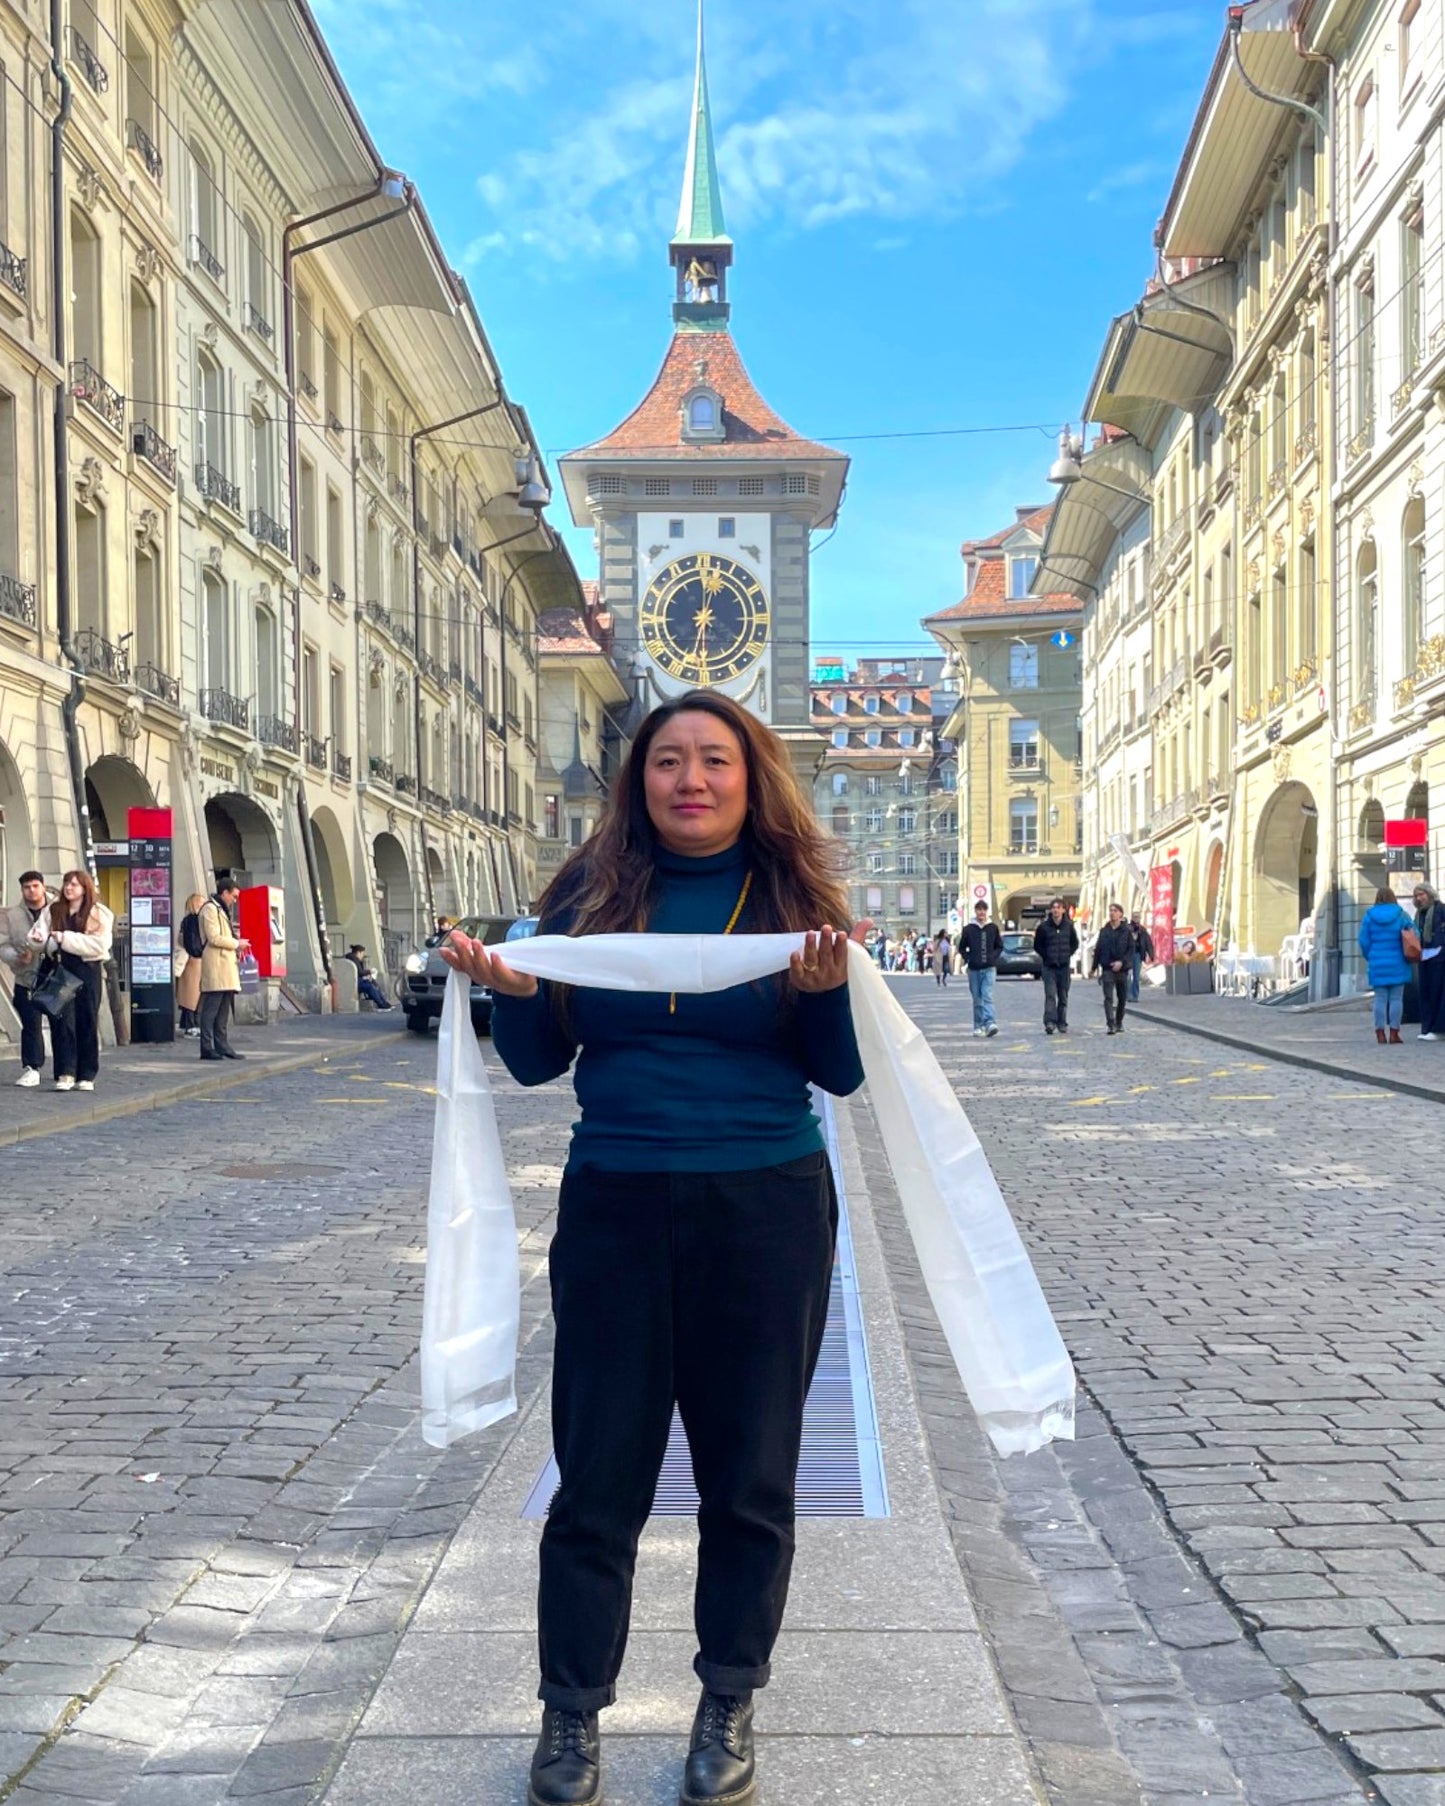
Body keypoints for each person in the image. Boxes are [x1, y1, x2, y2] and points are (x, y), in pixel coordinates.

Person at [441, 690, 863, 1806]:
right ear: (638, 781)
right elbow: (537, 1064)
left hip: (765, 1207)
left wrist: (822, 996)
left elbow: (837, 1073)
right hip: (617, 1205)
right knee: (597, 1478)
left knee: (749, 1478)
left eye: (713, 760)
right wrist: (516, 997)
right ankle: (569, 1715)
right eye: (667, 760)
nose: (689, 779)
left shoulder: (791, 898)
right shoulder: (586, 895)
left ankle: (727, 1695)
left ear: (748, 776)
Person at [26, 869, 113, 1091]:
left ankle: (86, 1074)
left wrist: (66, 938)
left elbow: (100, 945)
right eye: (67, 883)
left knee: (87, 1020)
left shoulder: (98, 913)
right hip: (61, 968)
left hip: (87, 969)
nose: (69, 888)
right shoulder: (53, 910)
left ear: (85, 888)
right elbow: (39, 936)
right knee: (62, 1021)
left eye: (74, 884)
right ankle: (65, 1072)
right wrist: (38, 940)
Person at [1, 870, 56, 1086]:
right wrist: (16, 958)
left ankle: (65, 1069)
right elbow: (3, 945)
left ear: (43, 886)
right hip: (27, 977)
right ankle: (32, 1067)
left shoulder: (57, 909)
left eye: (35, 886)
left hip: (55, 975)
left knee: (61, 1023)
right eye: (26, 887)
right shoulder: (12, 915)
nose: (31, 891)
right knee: (30, 1024)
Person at [198, 874, 250, 1061]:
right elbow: (214, 937)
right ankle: (206, 1047)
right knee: (211, 1009)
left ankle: (222, 1045)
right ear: (224, 892)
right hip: (216, 965)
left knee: (223, 1011)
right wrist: (237, 944)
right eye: (233, 896)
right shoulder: (210, 909)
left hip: (226, 967)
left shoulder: (220, 909)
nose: (235, 901)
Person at [1358, 886, 1415, 1045]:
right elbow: (1413, 934)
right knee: (1396, 998)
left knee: (1379, 999)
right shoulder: (1401, 914)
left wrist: (1370, 955)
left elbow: (1363, 940)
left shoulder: (1369, 916)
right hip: (1398, 961)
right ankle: (1395, 1033)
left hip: (1377, 961)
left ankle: (1380, 1033)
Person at [1033, 899, 1078, 1036]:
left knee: (1063, 996)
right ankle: (1050, 1022)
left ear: (1063, 910)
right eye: (1053, 907)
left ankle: (1062, 1022)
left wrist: (1066, 955)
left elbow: (1074, 943)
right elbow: (1037, 945)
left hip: (1064, 967)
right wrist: (1046, 956)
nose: (1056, 910)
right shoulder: (1044, 927)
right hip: (1049, 967)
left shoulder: (1069, 926)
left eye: (1058, 907)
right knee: (1050, 995)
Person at [959, 899, 1002, 1038]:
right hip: (974, 969)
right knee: (977, 998)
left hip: (989, 968)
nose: (981, 912)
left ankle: (990, 1023)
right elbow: (962, 947)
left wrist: (993, 957)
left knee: (987, 995)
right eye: (979, 910)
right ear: (975, 911)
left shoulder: (992, 928)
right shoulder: (968, 929)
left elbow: (999, 946)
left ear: (986, 912)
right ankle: (978, 1026)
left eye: (983, 910)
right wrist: (969, 958)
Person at [1092, 902, 1133, 1035]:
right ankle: (1110, 1024)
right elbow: (1098, 949)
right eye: (1110, 910)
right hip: (1107, 968)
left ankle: (1118, 1021)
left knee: (1122, 997)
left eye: (1115, 911)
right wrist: (1093, 967)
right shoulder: (1104, 931)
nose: (1112, 913)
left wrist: (1122, 962)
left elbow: (1130, 950)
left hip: (1122, 969)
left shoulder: (1126, 931)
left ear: (1121, 914)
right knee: (1108, 998)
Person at [1413, 884, 1445, 1041]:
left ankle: (1437, 1029)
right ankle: (1427, 1028)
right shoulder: (1419, 914)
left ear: (1429, 894)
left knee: (1437, 994)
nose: (1419, 898)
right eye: (1417, 895)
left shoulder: (1441, 909)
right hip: (1424, 957)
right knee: (1425, 992)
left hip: (1439, 958)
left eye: (1422, 894)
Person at [176, 893, 207, 1038]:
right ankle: (192, 1025)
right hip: (195, 961)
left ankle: (188, 1024)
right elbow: (194, 942)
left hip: (191, 962)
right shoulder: (194, 921)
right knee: (193, 996)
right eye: (200, 903)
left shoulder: (187, 921)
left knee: (190, 996)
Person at [346, 943, 395, 1011]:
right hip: (356, 982)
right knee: (370, 986)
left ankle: (384, 1003)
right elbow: (360, 972)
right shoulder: (354, 959)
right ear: (358, 952)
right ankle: (381, 1004)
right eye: (362, 953)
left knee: (374, 984)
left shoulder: (354, 959)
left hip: (357, 980)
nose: (363, 956)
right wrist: (370, 971)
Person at [1127, 912, 1155, 1003]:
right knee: (1128, 976)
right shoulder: (1127, 928)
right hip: (1127, 955)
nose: (1136, 918)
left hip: (1137, 954)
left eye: (1138, 917)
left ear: (1140, 918)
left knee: (1136, 976)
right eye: (1134, 917)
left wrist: (1151, 955)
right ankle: (1128, 995)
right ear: (1131, 917)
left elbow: (1148, 943)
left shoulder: (1142, 930)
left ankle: (1135, 996)